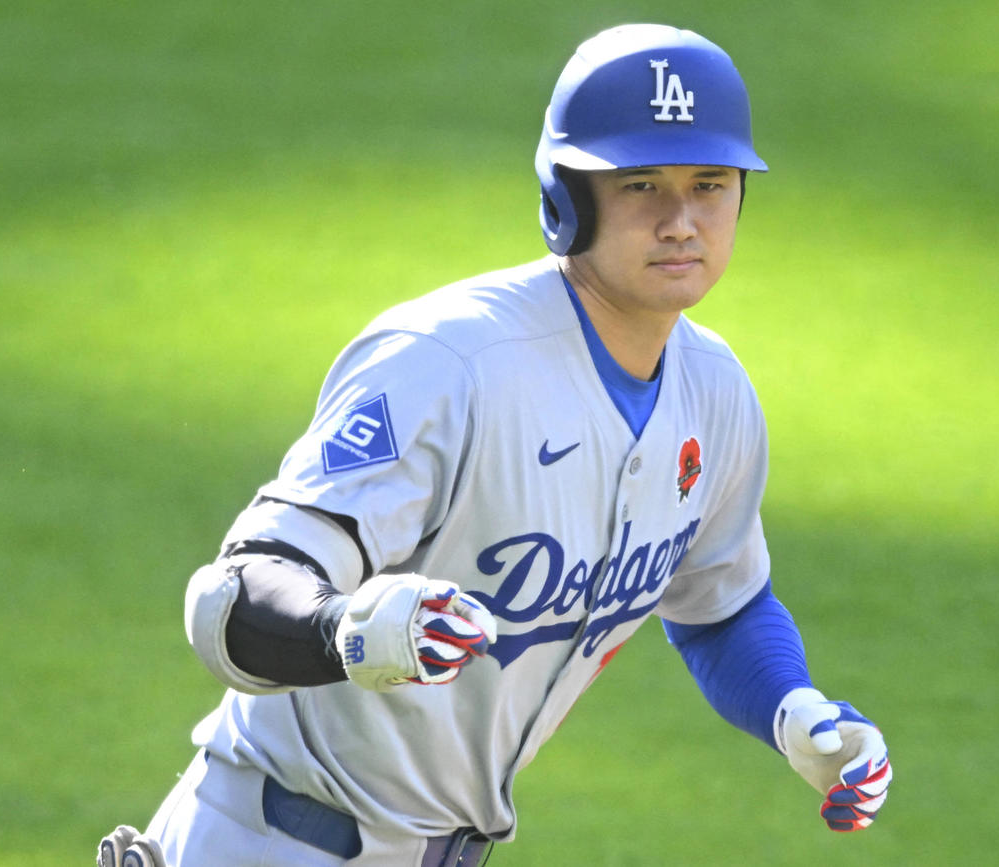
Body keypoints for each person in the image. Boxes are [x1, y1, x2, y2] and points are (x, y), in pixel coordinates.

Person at [99, 22, 892, 867]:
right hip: (269, 841)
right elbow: (228, 602)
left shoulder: (716, 393)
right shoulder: (448, 364)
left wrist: (791, 708)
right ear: (568, 197)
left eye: (709, 183)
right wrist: (347, 630)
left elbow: (721, 607)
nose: (681, 221)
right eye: (640, 186)